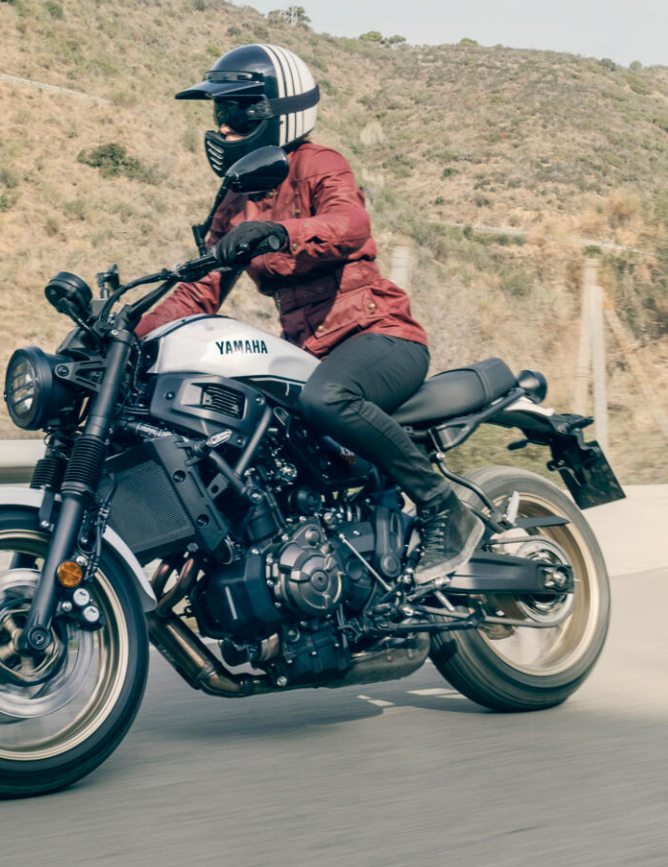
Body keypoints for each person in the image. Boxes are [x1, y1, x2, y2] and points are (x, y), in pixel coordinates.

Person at [135, 44, 477, 583]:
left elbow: (351, 224)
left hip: (379, 334)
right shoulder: (235, 201)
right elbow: (200, 291)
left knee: (327, 398)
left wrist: (280, 232)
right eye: (219, 113)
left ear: (276, 111)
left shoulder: (318, 163)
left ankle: (444, 507)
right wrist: (130, 339)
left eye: (236, 112)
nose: (222, 127)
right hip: (308, 354)